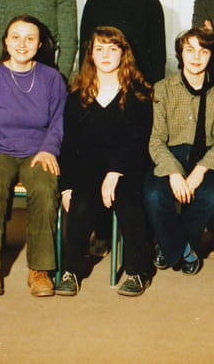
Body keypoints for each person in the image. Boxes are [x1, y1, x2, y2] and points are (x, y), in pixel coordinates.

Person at [0, 15, 67, 298]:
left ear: (39, 44)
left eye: (30, 39)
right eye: (16, 37)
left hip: (38, 150)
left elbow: (58, 122)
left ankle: (40, 269)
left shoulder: (52, 78)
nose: (22, 44)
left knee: (45, 189)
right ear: (6, 42)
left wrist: (49, 149)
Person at [55, 27, 154, 297]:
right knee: (80, 203)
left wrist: (115, 171)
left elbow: (137, 140)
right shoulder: (77, 96)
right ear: (91, 55)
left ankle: (137, 271)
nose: (106, 55)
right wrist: (66, 186)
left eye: (112, 49)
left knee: (128, 202)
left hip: (127, 166)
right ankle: (71, 271)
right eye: (99, 49)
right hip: (88, 167)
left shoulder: (138, 93)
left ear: (123, 53)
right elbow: (69, 145)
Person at [143, 28, 214, 276]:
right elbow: (155, 140)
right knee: (154, 195)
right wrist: (173, 173)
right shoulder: (162, 89)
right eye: (190, 50)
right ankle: (183, 249)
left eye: (203, 51)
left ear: (211, 56)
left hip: (205, 157)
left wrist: (200, 171)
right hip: (168, 155)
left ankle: (168, 245)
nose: (196, 57)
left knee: (212, 197)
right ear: (180, 54)